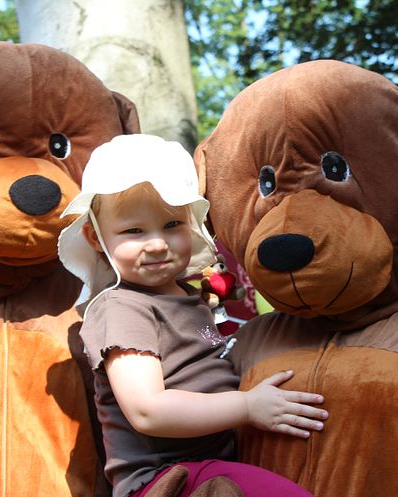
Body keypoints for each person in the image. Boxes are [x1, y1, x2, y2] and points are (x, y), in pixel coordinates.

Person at [58, 134, 329, 497]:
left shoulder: (186, 295)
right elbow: (147, 410)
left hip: (214, 461)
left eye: (172, 225)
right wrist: (247, 406)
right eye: (133, 231)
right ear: (94, 237)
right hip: (168, 477)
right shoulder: (122, 307)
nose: (157, 243)